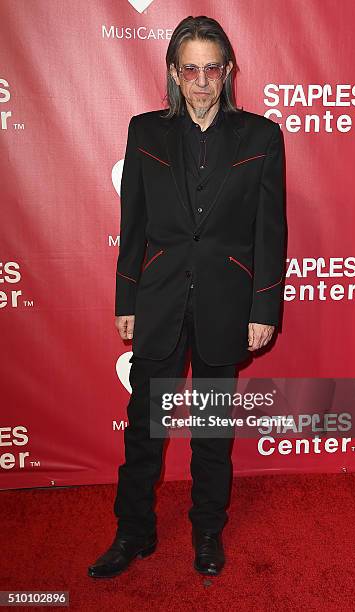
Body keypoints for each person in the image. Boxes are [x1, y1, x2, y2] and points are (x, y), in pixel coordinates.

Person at [88, 14, 286, 579]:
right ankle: (133, 532)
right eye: (190, 69)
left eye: (212, 69)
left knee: (212, 431)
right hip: (159, 300)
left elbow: (270, 233)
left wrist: (263, 307)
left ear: (228, 72)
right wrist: (127, 300)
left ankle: (206, 532)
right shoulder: (145, 132)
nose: (202, 81)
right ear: (174, 73)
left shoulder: (261, 137)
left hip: (228, 302)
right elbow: (134, 225)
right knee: (145, 426)